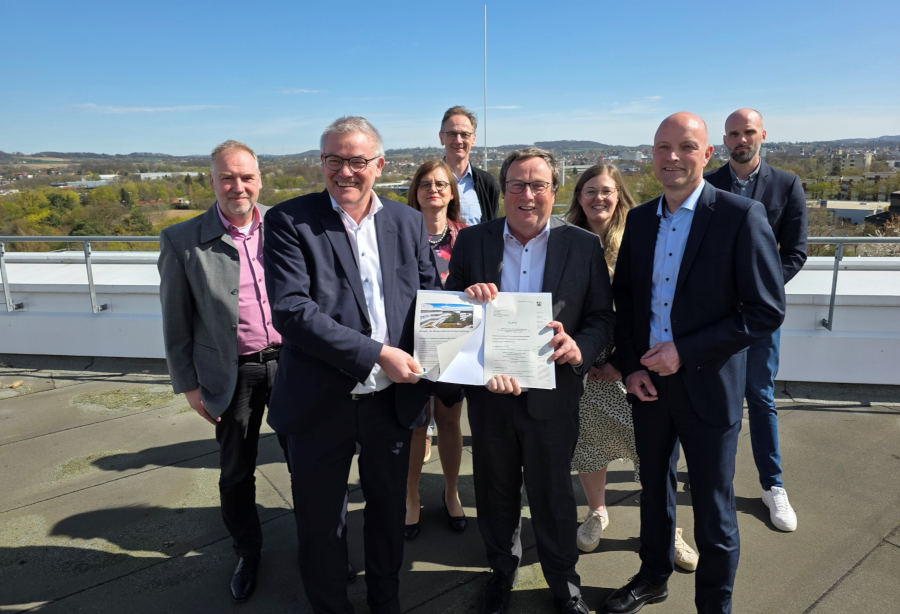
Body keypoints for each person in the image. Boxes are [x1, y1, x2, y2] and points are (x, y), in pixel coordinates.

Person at [606, 112, 785, 614]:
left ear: (707, 154)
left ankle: (713, 606)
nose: (673, 157)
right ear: (652, 154)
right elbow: (628, 303)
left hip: (709, 387)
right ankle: (653, 576)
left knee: (712, 507)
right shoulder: (640, 219)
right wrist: (631, 367)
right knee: (652, 489)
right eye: (663, 147)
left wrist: (684, 351)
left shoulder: (739, 215)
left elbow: (765, 310)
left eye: (686, 147)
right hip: (649, 387)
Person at [263, 116, 439, 614]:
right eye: (333, 160)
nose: (345, 171)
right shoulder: (289, 220)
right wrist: (378, 353)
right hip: (320, 402)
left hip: (391, 402)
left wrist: (469, 308)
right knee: (321, 525)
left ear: (379, 165)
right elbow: (293, 312)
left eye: (357, 160)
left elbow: (428, 296)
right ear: (321, 162)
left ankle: (386, 602)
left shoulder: (407, 221)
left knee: (387, 515)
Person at [446, 147, 615, 614]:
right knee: (495, 492)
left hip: (553, 394)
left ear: (554, 191)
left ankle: (564, 583)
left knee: (553, 496)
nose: (527, 194)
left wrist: (579, 347)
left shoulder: (582, 245)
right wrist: (465, 299)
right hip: (490, 396)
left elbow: (602, 317)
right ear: (503, 190)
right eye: (517, 184)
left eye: (538, 185)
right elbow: (448, 311)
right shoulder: (472, 241)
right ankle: (502, 574)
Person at [158, 139, 282, 602]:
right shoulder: (182, 240)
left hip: (290, 365)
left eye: (246, 177)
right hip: (232, 374)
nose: (238, 187)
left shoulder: (284, 225)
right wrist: (188, 385)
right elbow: (175, 320)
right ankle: (248, 552)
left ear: (260, 180)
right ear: (211, 181)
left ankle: (323, 546)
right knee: (236, 472)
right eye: (227, 178)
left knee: (310, 463)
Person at [565, 165, 698, 572]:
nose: (598, 198)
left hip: (636, 367)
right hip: (585, 368)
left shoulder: (641, 236)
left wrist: (622, 364)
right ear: (579, 197)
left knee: (652, 453)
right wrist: (586, 358)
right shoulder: (565, 240)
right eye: (590, 191)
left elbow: (649, 307)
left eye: (606, 191)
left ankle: (666, 529)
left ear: (619, 195)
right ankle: (596, 512)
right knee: (590, 445)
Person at [705, 108, 807, 533]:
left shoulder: (787, 184)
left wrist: (759, 291)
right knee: (716, 399)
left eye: (748, 132)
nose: (741, 140)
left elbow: (795, 252)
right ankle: (717, 480)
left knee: (760, 397)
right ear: (724, 140)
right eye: (733, 134)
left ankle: (772, 485)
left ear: (763, 134)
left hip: (761, 316)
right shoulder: (708, 184)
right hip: (716, 316)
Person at [404, 160, 467, 540]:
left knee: (449, 422)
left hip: (455, 344)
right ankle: (411, 497)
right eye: (426, 183)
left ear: (452, 192)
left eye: (441, 184)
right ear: (416, 191)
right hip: (410, 346)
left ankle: (451, 492)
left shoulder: (466, 236)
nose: (434, 189)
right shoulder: (400, 232)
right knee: (415, 426)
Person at [439, 105, 500, 225]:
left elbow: (492, 228)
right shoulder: (427, 181)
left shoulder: (488, 183)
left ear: (473, 139)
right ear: (441, 138)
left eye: (464, 134)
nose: (458, 140)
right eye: (452, 134)